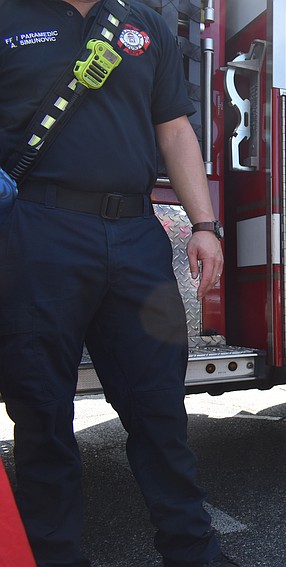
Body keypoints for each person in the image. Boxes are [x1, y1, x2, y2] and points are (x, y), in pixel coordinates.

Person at [0, 1, 236, 566]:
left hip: (135, 233)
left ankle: (191, 549)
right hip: (36, 228)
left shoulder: (146, 22)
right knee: (42, 409)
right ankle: (53, 555)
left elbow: (174, 129)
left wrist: (204, 225)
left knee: (159, 407)